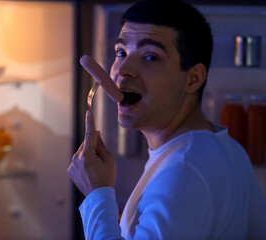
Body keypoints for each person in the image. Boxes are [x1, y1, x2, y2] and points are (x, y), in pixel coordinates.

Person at [67, 0, 266, 239]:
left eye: (151, 57)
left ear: (193, 79)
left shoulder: (183, 172)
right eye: (121, 52)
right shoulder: (230, 149)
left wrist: (96, 193)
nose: (123, 69)